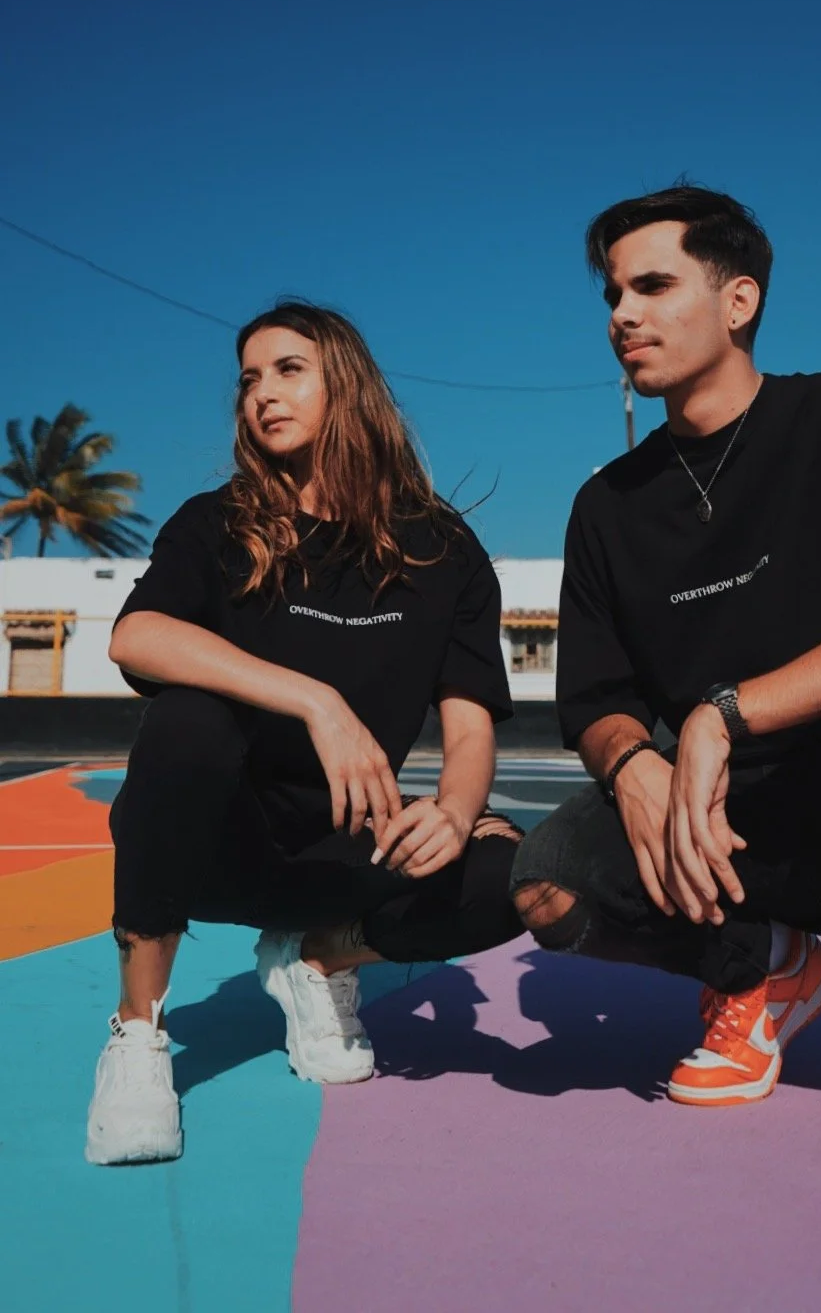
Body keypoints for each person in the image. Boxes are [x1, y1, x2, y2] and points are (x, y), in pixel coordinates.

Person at [511, 185, 821, 1180]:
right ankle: (764, 971)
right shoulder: (606, 507)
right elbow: (595, 702)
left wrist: (719, 715)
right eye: (613, 293)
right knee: (545, 882)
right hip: (730, 840)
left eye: (654, 285)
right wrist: (634, 767)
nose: (624, 314)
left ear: (738, 300)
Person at [87, 301, 522, 1166]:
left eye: (289, 370)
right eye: (250, 378)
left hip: (345, 848)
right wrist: (316, 700)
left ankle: (321, 959)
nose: (261, 394)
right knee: (187, 718)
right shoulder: (217, 524)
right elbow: (136, 637)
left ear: (347, 386)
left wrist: (455, 808)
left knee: (528, 869)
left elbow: (469, 720)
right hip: (216, 841)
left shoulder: (443, 548)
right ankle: (139, 1035)